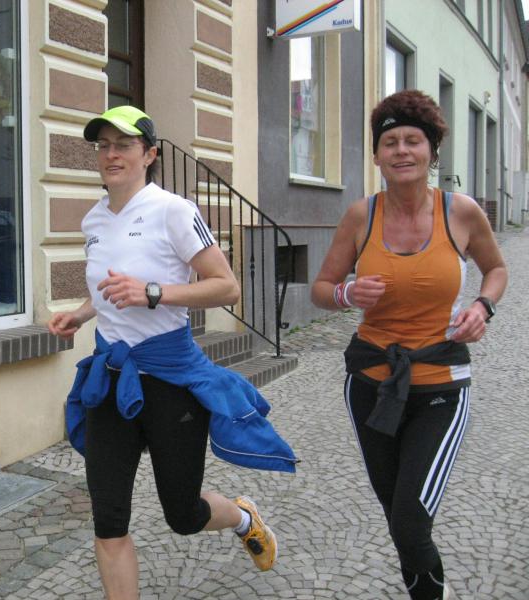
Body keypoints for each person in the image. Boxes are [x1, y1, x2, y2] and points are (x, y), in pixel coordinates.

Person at [47, 105, 297, 599]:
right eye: (103, 146)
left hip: (170, 381)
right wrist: (81, 314)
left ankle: (243, 517)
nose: (111, 154)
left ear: (149, 154)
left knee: (183, 514)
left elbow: (226, 286)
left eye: (124, 145)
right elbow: (109, 289)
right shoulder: (94, 218)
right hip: (111, 380)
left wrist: (153, 292)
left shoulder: (174, 210)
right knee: (108, 519)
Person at [311, 89, 507, 600]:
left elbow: (496, 269)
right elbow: (321, 289)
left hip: (440, 384)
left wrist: (482, 307)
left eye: (413, 140)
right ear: (377, 156)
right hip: (371, 384)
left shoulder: (461, 213)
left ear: (432, 151)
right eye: (390, 141)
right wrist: (348, 293)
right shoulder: (361, 216)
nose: (401, 150)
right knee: (398, 518)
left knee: (410, 520)